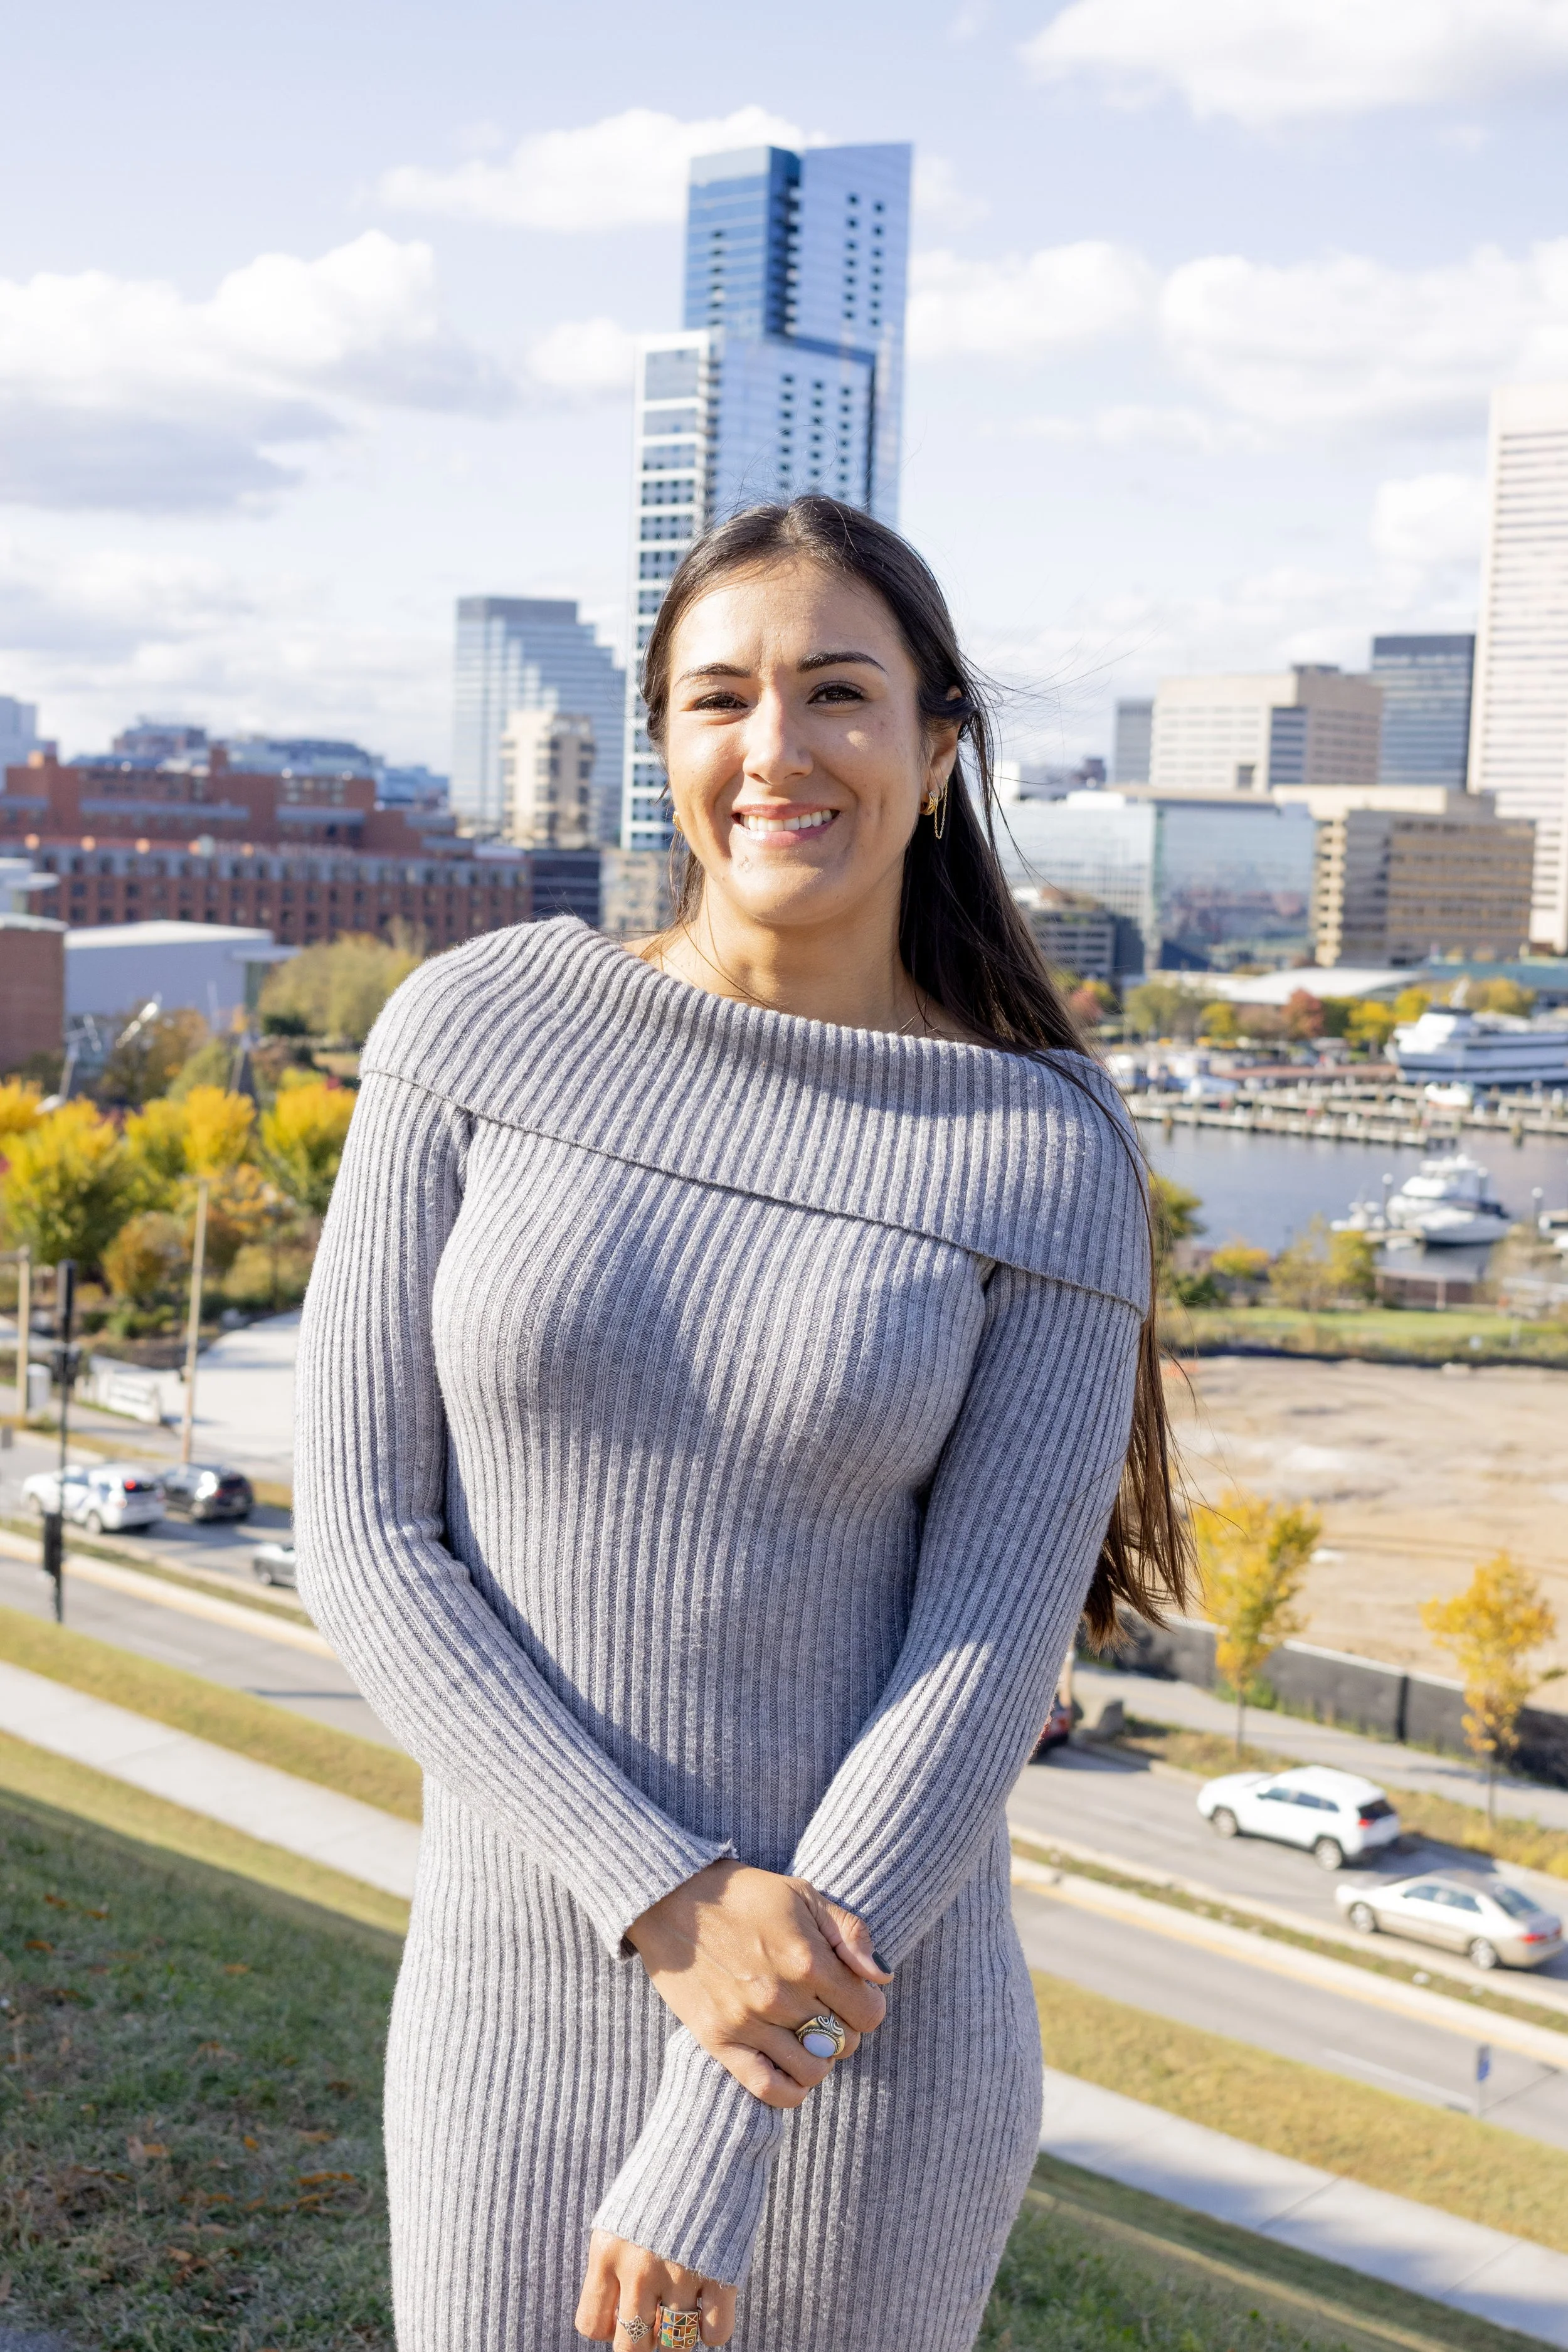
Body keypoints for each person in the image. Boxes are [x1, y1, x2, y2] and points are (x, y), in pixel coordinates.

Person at [294, 494, 1189, 2352]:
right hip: (508, 2012)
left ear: (938, 750)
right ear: (664, 746)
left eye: (838, 692)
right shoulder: (475, 1031)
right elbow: (365, 1536)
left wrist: (722, 2116)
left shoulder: (1040, 1151)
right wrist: (666, 1900)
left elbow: (977, 1667)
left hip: (869, 2067)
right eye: (720, 698)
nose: (776, 748)